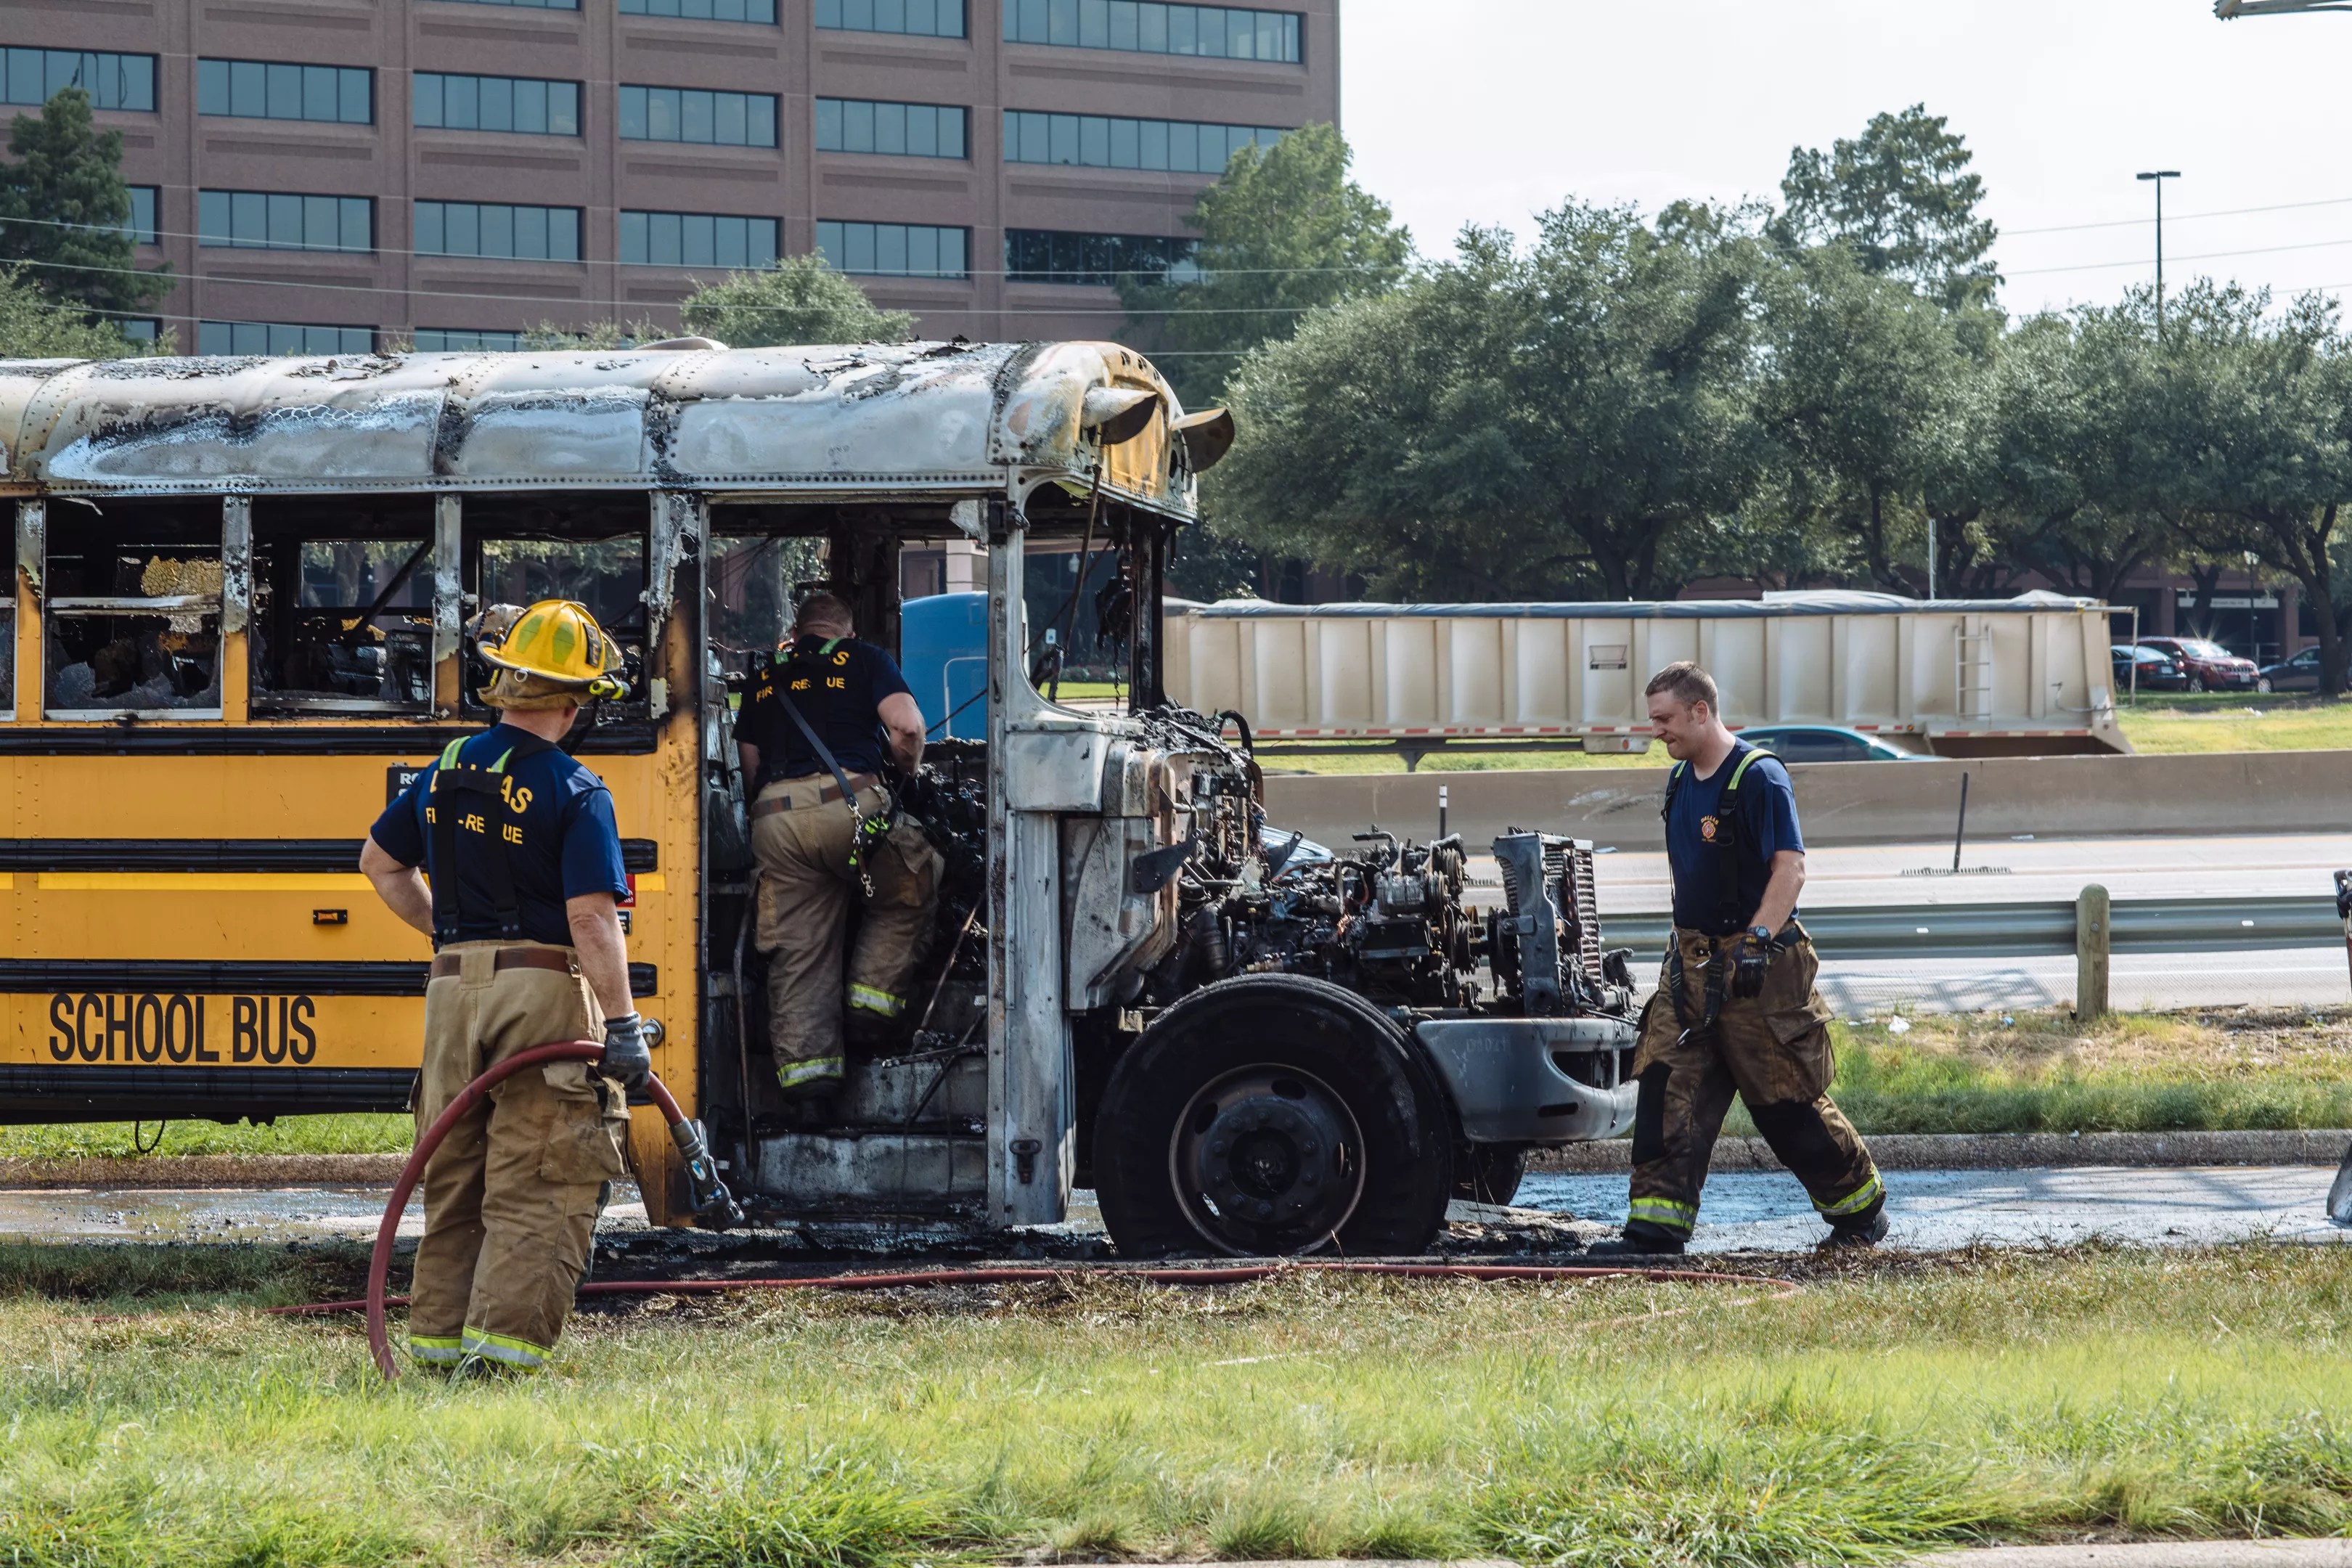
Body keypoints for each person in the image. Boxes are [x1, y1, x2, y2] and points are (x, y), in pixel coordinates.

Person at [359, 598, 649, 1373]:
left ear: (507, 685)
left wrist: (452, 940)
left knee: (453, 1172)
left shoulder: (445, 770)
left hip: (452, 995)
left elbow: (380, 865)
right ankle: (499, 1364)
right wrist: (623, 1024)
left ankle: (435, 1349)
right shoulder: (578, 788)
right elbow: (591, 919)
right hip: (542, 996)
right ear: (572, 702)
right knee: (543, 1173)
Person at [1588, 661, 1887, 1257]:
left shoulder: (1760, 778)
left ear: (1701, 711)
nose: (1656, 731)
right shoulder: (1680, 779)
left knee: (1783, 1102)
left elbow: (1790, 868)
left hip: (1758, 970)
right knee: (1666, 1087)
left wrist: (1757, 939)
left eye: (1665, 719)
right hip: (1691, 968)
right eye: (1653, 720)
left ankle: (1860, 1213)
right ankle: (1654, 1231)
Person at [735, 592, 940, 1104]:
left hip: (774, 823)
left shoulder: (764, 676)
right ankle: (870, 1008)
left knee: (798, 952)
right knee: (913, 879)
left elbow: (750, 764)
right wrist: (907, 769)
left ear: (796, 631)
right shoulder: (865, 658)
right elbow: (907, 726)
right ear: (848, 633)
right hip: (849, 811)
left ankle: (810, 1089)